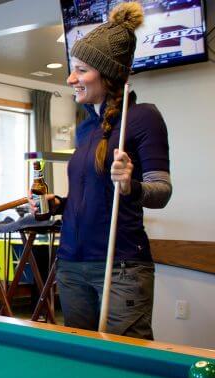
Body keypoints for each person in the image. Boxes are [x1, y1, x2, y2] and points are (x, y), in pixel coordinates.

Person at [41, 2, 171, 339]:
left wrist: (131, 185)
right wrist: (59, 204)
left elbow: (161, 191)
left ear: (109, 75)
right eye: (73, 69)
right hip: (70, 264)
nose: (71, 79)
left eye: (81, 70)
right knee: (83, 367)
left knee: (126, 365)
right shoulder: (85, 128)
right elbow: (88, 198)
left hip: (122, 266)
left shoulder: (143, 117)